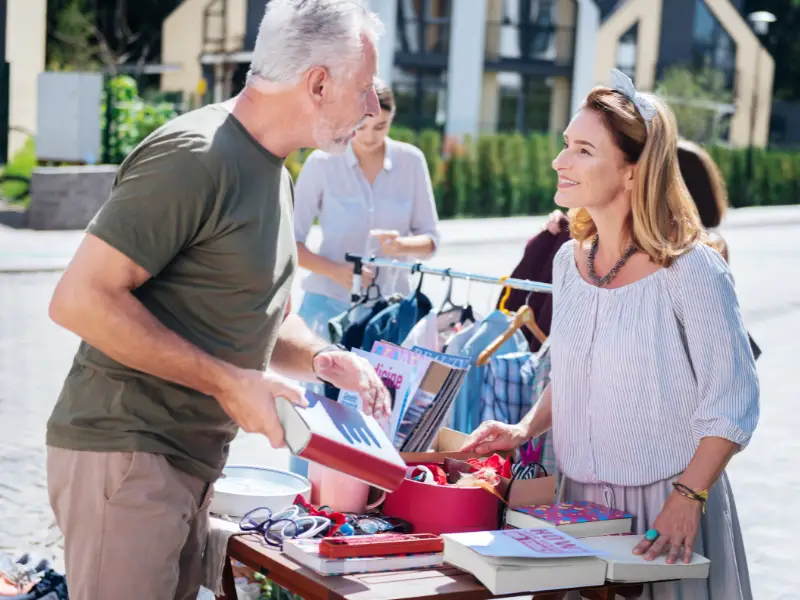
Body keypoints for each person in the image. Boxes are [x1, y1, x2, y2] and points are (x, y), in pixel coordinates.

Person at [44, 2, 392, 599]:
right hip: (128, 455)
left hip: (184, 466)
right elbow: (79, 299)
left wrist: (320, 358)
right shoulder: (195, 155)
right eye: (366, 90)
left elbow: (257, 316)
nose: (370, 109)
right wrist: (230, 383)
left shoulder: (275, 175)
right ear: (318, 83)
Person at [464, 70, 758, 600]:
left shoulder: (691, 269)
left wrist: (689, 495)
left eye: (582, 150)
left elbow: (734, 401)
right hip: (576, 507)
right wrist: (524, 427)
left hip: (667, 507)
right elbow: (570, 371)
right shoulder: (565, 262)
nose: (560, 161)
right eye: (564, 146)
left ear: (631, 172)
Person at [293, 78, 441, 342]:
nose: (369, 136)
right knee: (320, 383)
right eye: (361, 126)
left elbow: (432, 241)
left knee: (383, 385)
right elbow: (290, 243)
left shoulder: (412, 161)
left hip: (392, 313)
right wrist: (337, 272)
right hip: (327, 308)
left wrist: (401, 246)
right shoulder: (322, 163)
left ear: (392, 119)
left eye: (381, 126)